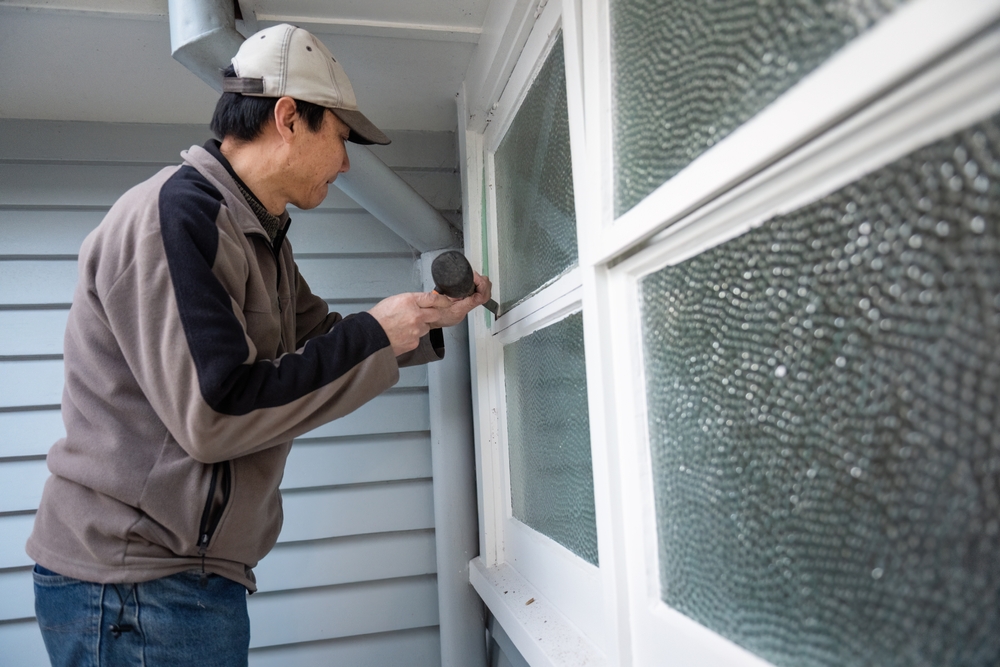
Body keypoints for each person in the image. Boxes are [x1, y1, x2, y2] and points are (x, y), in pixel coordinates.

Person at [26, 23, 491, 667]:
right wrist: (377, 331)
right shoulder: (178, 215)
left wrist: (427, 318)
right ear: (288, 117)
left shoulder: (258, 232)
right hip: (134, 588)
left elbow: (325, 343)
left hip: (182, 582)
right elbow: (217, 413)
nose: (349, 161)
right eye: (342, 137)